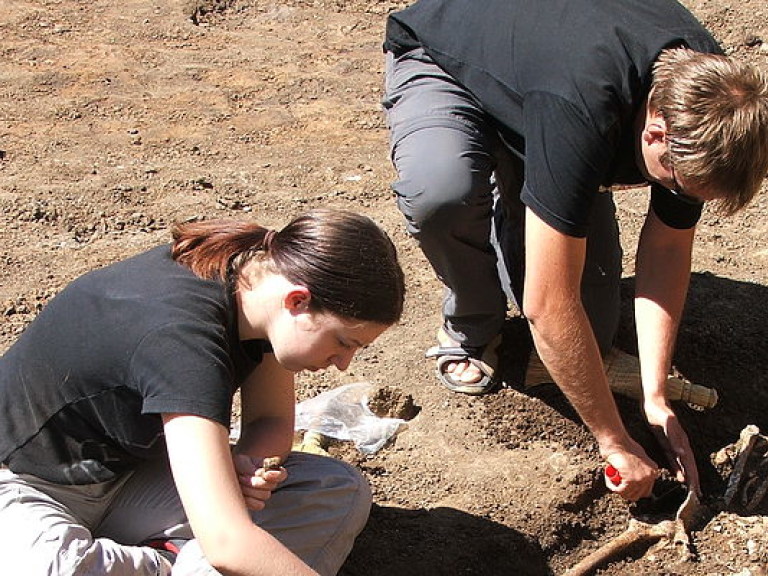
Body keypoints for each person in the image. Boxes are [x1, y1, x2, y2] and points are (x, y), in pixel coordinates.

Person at [382, 0, 768, 502]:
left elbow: (669, 247)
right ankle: (472, 323)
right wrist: (614, 441)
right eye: (683, 184)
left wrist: (654, 397)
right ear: (655, 133)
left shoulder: (716, 101)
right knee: (442, 191)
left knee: (593, 327)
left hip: (545, 90)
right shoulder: (583, 105)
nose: (687, 199)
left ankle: (533, 189)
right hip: (448, 61)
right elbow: (548, 307)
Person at [0, 208, 406, 576]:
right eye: (344, 342)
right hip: (26, 486)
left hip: (130, 475)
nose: (343, 363)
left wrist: (249, 466)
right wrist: (225, 539)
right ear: (298, 301)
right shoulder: (182, 341)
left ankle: (164, 559)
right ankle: (170, 563)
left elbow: (270, 421)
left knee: (335, 490)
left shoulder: (256, 280)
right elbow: (228, 545)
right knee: (54, 568)